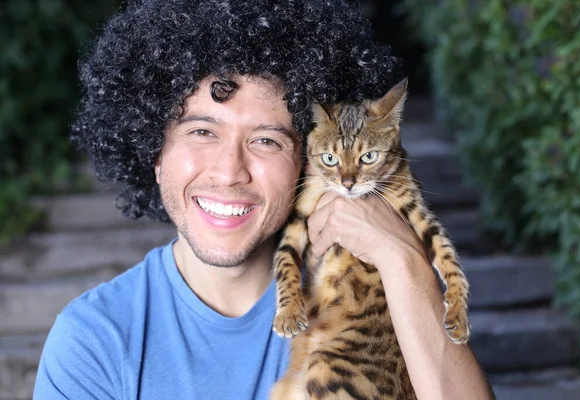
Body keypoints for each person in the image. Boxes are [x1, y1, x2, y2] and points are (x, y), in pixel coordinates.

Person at [33, 0, 495, 399]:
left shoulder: (378, 301)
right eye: (201, 132)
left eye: (267, 141)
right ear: (155, 153)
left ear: (308, 161)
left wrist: (405, 261)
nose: (229, 171)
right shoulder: (94, 339)